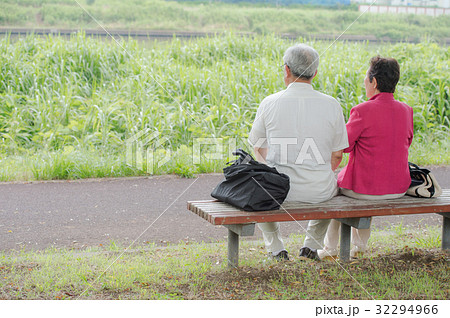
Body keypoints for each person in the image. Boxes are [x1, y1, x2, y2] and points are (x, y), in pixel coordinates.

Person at [248, 44, 349, 261]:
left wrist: (272, 168)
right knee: (329, 186)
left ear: (286, 70)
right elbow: (338, 155)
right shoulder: (332, 105)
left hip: (279, 192)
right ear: (315, 72)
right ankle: (310, 246)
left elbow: (258, 147)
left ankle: (276, 249)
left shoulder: (270, 103)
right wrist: (317, 170)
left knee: (259, 184)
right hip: (319, 191)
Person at [317, 56, 414, 260]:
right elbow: (405, 142)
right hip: (397, 189)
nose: (365, 82)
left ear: (374, 82)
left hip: (365, 189)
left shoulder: (361, 111)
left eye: (366, 78)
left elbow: (342, 146)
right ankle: (359, 247)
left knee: (338, 191)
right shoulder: (406, 110)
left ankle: (330, 249)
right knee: (364, 187)